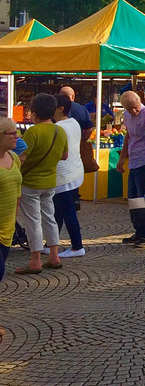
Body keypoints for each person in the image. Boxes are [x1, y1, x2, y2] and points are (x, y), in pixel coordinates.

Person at [14, 94, 69, 274]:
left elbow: (22, 158)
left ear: (35, 113)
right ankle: (54, 256)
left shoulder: (33, 132)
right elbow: (64, 156)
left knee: (33, 221)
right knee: (49, 217)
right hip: (50, 181)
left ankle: (35, 261)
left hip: (30, 182)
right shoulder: (60, 130)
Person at [116, 91, 145, 246]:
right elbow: (128, 137)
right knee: (134, 198)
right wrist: (122, 158)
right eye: (129, 109)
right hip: (134, 161)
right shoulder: (128, 116)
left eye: (135, 108)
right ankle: (139, 231)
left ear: (140, 101)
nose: (133, 111)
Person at [53, 95, 86, 258]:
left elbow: (58, 153)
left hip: (63, 176)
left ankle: (77, 246)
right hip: (75, 173)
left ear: (60, 108)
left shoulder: (58, 127)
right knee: (58, 211)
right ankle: (51, 244)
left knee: (67, 211)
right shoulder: (73, 123)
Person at [0, 117, 24, 285]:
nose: (17, 137)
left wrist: (15, 217)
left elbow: (17, 189)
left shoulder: (14, 158)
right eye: (13, 133)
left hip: (8, 228)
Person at [60, 85, 99, 174]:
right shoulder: (82, 109)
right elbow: (89, 129)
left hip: (61, 150)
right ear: (73, 96)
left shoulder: (57, 109)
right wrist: (81, 141)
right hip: (78, 149)